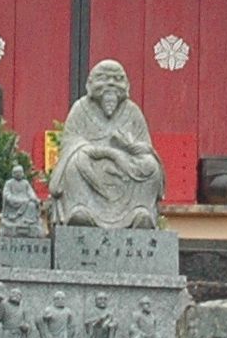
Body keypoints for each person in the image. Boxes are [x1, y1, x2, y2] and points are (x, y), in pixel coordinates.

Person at [49, 60, 163, 229]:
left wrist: (128, 146)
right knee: (74, 162)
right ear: (90, 84)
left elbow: (145, 148)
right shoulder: (80, 109)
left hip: (126, 166)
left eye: (116, 79)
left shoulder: (132, 112)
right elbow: (70, 144)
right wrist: (107, 153)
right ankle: (80, 210)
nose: (110, 84)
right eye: (103, 78)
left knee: (151, 166)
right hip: (93, 161)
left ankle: (139, 212)